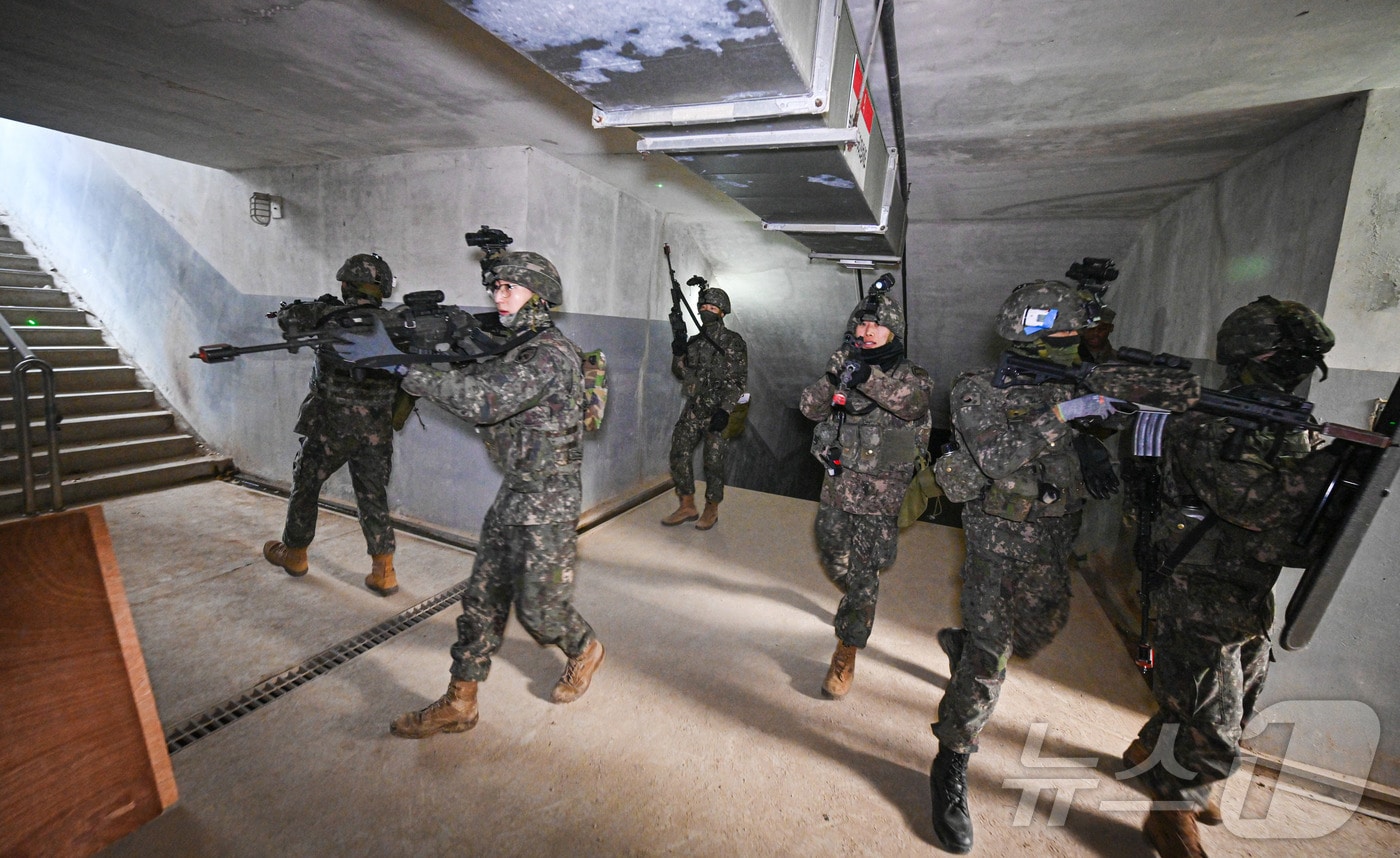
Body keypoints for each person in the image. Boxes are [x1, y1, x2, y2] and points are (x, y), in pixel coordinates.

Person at [335, 249, 604, 739]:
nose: (498, 296)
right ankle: (461, 702)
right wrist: (421, 351)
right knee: (481, 599)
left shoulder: (549, 354)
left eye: (509, 287)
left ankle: (584, 647)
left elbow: (483, 400)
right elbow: (471, 376)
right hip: (517, 490)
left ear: (538, 296)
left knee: (541, 613)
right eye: (495, 287)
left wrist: (400, 368)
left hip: (550, 498)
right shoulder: (516, 345)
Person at [1122, 296, 1340, 858]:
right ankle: (1172, 811)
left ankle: (1150, 752)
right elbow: (1254, 502)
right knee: (1212, 723)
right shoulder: (1205, 421)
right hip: (1195, 585)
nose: (1293, 372)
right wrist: (1336, 462)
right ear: (1250, 357)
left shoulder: (1282, 422)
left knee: (1241, 694)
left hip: (1247, 581)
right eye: (1284, 357)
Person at [929, 279, 1121, 854]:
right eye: (1065, 332)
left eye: (1076, 333)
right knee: (993, 660)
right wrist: (1063, 415)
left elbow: (1091, 426)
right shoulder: (976, 388)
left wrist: (1092, 428)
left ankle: (968, 645)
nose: (1074, 340)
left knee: (1039, 628)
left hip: (1055, 538)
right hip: (998, 541)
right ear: (1035, 334)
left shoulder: (1073, 382)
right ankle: (951, 760)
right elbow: (995, 455)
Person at [799, 279, 932, 699]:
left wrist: (867, 376)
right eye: (863, 324)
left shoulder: (912, 376)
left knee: (862, 575)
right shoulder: (844, 365)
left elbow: (912, 405)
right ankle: (860, 593)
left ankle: (847, 648)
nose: (868, 331)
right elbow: (809, 408)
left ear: (894, 331)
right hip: (838, 485)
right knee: (828, 545)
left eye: (877, 326)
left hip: (880, 496)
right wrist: (833, 374)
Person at [262, 252, 407, 597]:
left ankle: (295, 554)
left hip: (328, 423)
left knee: (306, 485)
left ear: (345, 284)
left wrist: (315, 307)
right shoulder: (397, 324)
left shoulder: (327, 315)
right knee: (373, 495)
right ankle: (383, 570)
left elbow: (288, 320)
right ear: (382, 288)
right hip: (376, 429)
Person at [661, 285, 748, 531]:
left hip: (718, 410)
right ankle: (687, 503)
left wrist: (725, 410)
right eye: (703, 307)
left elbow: (738, 382)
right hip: (694, 407)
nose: (706, 311)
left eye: (712, 308)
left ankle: (712, 507)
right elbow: (681, 373)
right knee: (679, 452)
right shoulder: (696, 341)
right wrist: (678, 352)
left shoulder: (733, 342)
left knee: (714, 462)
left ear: (722, 312)